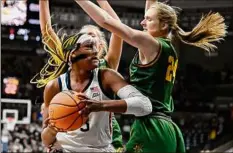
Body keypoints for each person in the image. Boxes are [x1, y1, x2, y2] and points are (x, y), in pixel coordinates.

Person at [75, 0, 227, 152]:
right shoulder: (164, 46)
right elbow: (151, 6)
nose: (142, 22)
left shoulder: (151, 43)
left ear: (164, 25)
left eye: (148, 19)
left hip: (152, 127)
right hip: (167, 128)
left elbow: (106, 21)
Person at [30, 0, 124, 151]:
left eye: (93, 36)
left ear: (100, 44)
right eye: (84, 37)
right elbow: (47, 34)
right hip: (70, 139)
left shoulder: (107, 67)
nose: (89, 40)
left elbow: (117, 29)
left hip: (102, 139)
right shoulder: (68, 60)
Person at [34, 32, 153, 152]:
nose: (96, 51)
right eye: (89, 46)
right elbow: (46, 140)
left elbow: (145, 105)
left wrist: (100, 106)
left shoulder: (107, 77)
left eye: (95, 46)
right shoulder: (54, 86)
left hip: (99, 149)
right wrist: (52, 128)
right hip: (64, 149)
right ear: (72, 53)